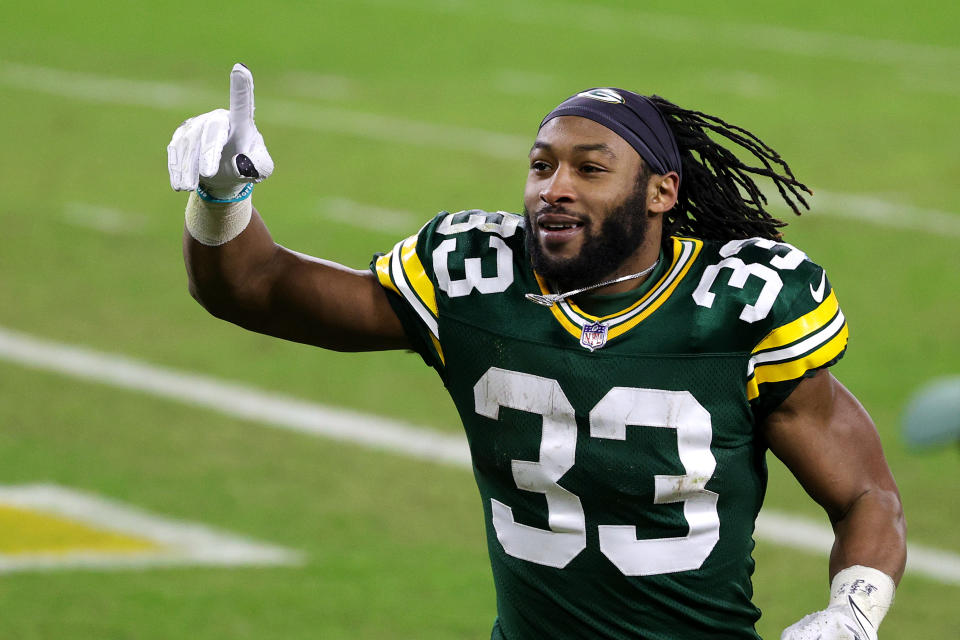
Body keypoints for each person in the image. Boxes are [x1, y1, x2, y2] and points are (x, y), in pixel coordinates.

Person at [167, 64, 906, 640]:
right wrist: (222, 197)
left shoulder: (738, 309)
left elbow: (866, 494)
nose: (554, 188)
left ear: (660, 192)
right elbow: (255, 287)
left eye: (589, 169)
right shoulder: (476, 280)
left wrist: (853, 610)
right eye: (541, 165)